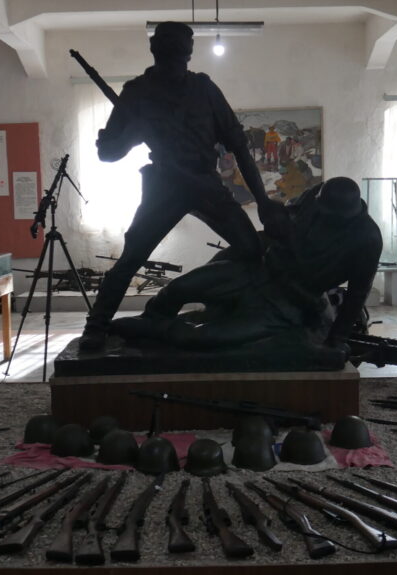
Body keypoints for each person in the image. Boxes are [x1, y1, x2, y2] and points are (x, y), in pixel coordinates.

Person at [79, 21, 282, 351]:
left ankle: (236, 307)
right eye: (170, 50)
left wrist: (264, 201)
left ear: (189, 54)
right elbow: (108, 153)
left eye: (181, 52)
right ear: (155, 50)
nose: (176, 58)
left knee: (251, 249)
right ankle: (96, 326)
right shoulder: (137, 92)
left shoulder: (204, 89)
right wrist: (133, 132)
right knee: (132, 257)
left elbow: (239, 146)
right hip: (164, 185)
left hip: (204, 182)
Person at [113, 177, 382, 355]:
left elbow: (357, 295)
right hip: (258, 270)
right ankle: (149, 323)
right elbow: (284, 218)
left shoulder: (367, 239)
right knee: (179, 288)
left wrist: (336, 341)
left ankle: (150, 333)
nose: (323, 219)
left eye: (331, 218)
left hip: (287, 305)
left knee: (199, 339)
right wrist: (274, 221)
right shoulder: (316, 197)